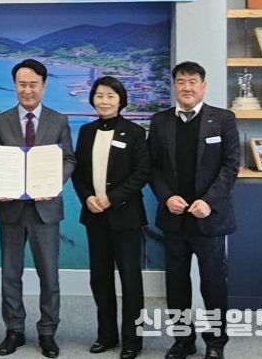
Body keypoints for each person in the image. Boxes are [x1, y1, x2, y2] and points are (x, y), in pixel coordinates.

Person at [148, 62, 240, 359]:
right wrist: (166, 197)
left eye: (192, 81)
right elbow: (153, 167)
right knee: (176, 284)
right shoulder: (160, 121)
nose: (186, 87)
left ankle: (216, 342)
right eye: (181, 81)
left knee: (213, 283)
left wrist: (208, 201)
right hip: (175, 217)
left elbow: (230, 166)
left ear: (203, 86)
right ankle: (183, 340)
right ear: (174, 85)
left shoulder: (223, 119)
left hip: (208, 218)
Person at [0, 59, 75, 359]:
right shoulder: (0, 121)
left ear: (44, 86)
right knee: (10, 274)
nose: (27, 90)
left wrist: (52, 183)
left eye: (33, 84)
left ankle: (47, 331)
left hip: (45, 208)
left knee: (49, 275)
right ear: (15, 86)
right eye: (22, 84)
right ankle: (14, 330)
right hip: (11, 209)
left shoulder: (59, 120)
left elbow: (69, 159)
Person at [72, 76, 150, 359]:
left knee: (131, 280)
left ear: (121, 100)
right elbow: (78, 172)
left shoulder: (135, 132)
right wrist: (87, 198)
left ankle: (133, 340)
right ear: (93, 99)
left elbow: (142, 173)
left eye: (110, 96)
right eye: (99, 95)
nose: (104, 101)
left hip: (126, 216)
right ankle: (106, 335)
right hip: (95, 215)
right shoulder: (86, 131)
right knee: (100, 278)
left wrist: (112, 198)